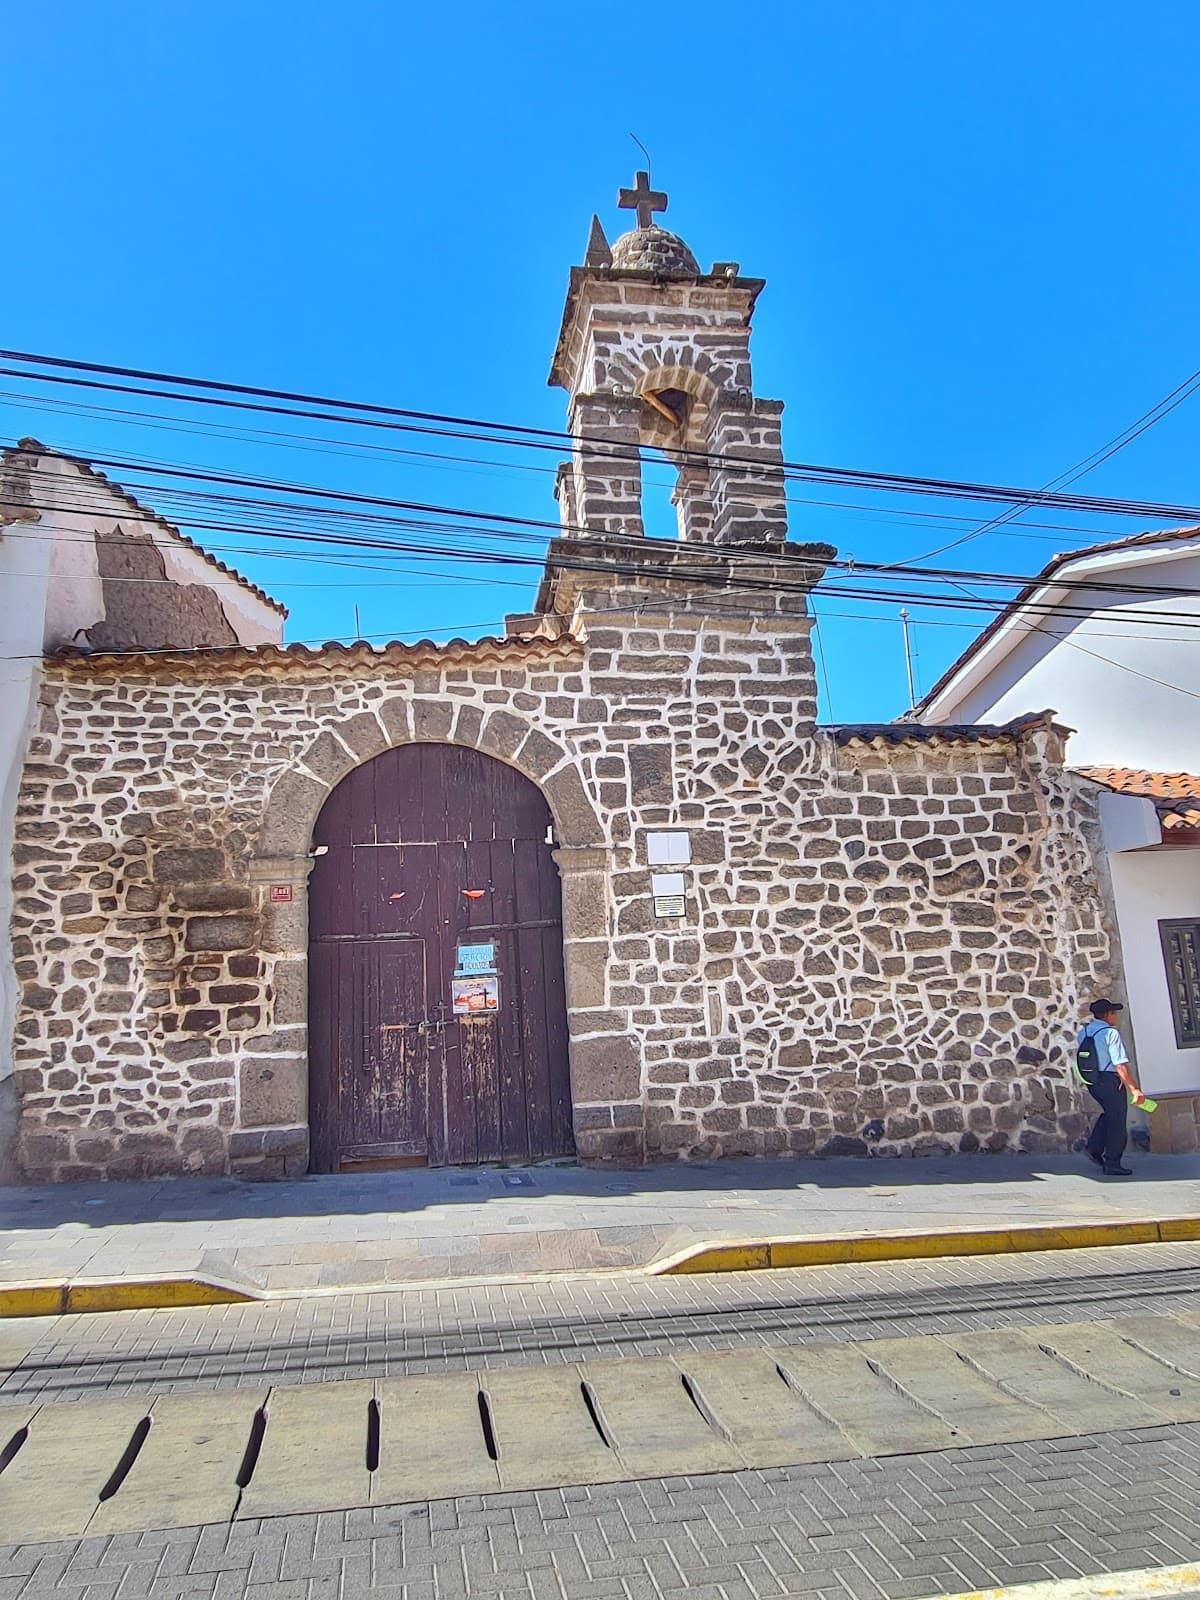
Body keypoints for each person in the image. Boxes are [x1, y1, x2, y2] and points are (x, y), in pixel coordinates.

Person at [1079, 998, 1144, 1176]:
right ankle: (1112, 1162)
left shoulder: (1084, 1032)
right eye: (1113, 1013)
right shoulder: (1110, 1033)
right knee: (1117, 1121)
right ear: (1107, 1015)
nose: (1115, 1016)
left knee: (1109, 1113)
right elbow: (1120, 1065)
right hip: (1110, 1081)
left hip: (1093, 1081)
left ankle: (1094, 1147)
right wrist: (1134, 1089)